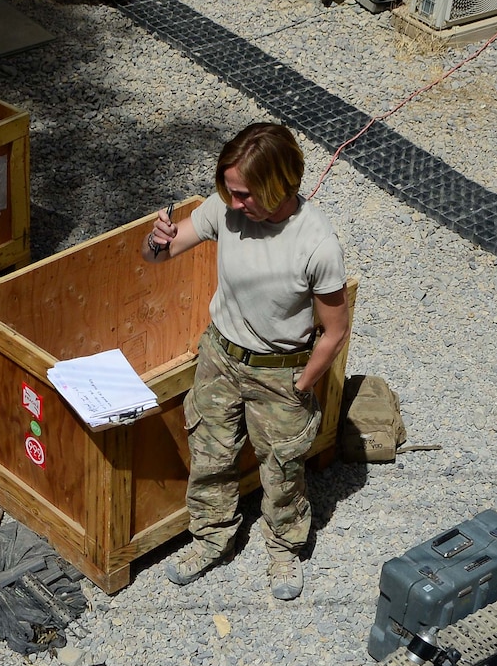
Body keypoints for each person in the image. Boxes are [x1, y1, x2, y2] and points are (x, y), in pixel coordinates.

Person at [143, 122, 349, 600]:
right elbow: (159, 254)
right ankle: (211, 538)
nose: (234, 205)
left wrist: (303, 385)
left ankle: (284, 548)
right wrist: (157, 240)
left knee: (282, 468)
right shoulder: (226, 209)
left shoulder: (317, 245)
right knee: (210, 454)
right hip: (220, 356)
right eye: (229, 193)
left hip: (280, 372)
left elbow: (334, 331)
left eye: (244, 195)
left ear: (279, 185)